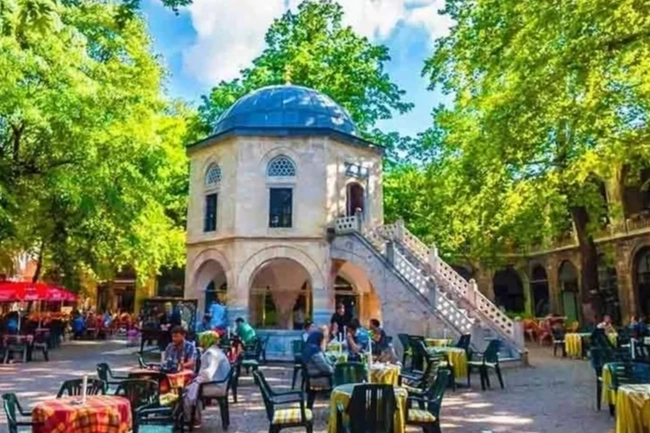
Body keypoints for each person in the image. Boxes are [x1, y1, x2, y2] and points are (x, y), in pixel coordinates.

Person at [183, 330, 231, 429]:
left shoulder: (211, 353)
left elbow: (208, 374)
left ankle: (189, 419)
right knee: (191, 388)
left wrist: (196, 379)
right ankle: (193, 418)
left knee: (184, 392)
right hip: (220, 384)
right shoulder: (217, 351)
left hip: (215, 385)